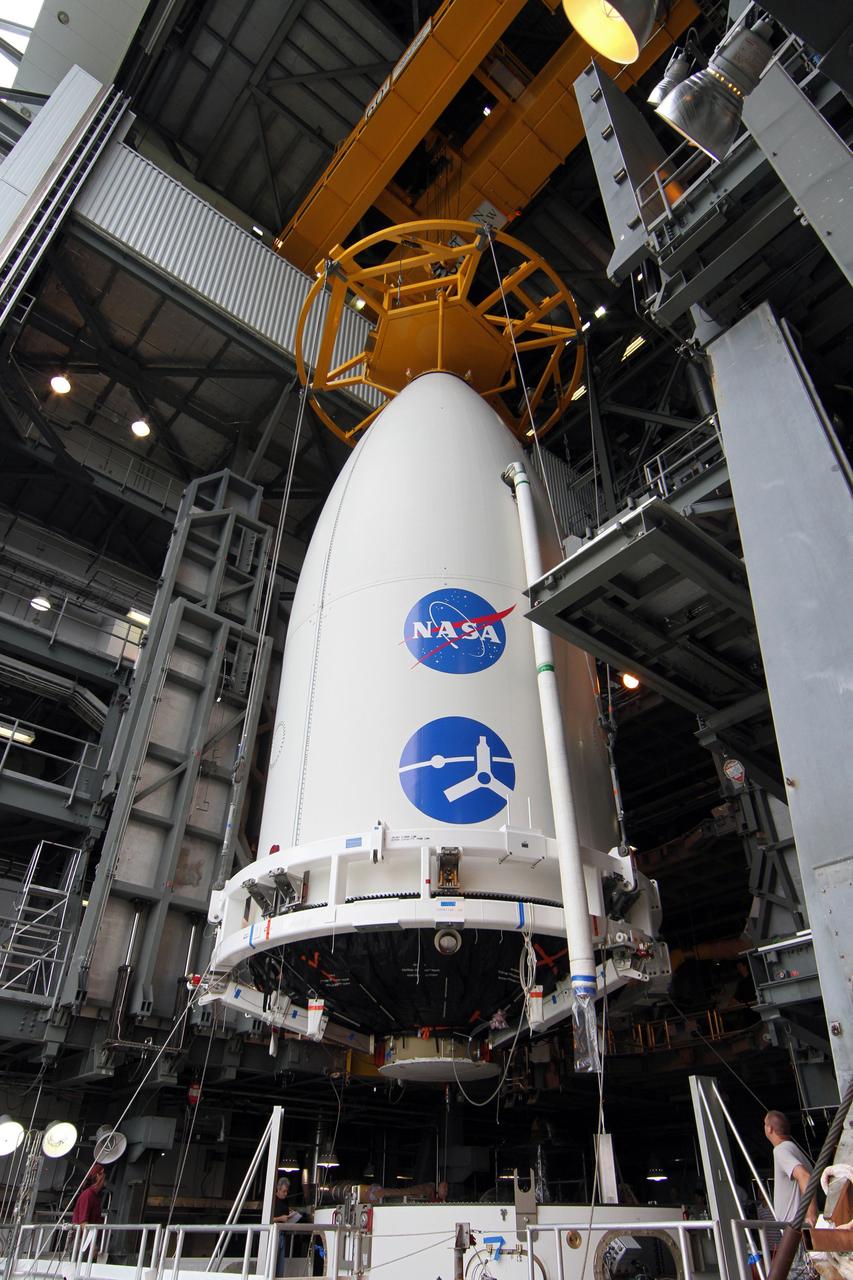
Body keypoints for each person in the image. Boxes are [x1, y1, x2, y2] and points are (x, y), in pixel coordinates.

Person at [764, 1110, 817, 1228]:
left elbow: (804, 1176)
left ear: (769, 1128)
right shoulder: (794, 1149)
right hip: (797, 1226)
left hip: (795, 1227)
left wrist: (811, 1216)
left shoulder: (780, 1150)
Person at [273, 1176, 302, 1276]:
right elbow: (267, 1219)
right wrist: (280, 1218)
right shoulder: (273, 1200)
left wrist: (291, 1214)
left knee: (280, 1263)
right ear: (278, 1189)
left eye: (286, 1192)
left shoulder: (285, 1200)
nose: (285, 1194)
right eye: (284, 1191)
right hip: (274, 1233)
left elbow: (285, 1212)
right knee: (273, 1261)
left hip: (283, 1233)